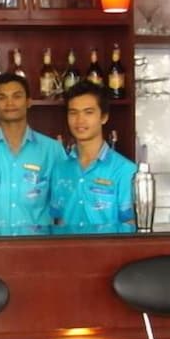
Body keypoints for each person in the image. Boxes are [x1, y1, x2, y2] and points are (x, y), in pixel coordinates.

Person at [0, 72, 65, 236]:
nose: (10, 103)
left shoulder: (52, 150)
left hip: (38, 246)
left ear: (28, 102)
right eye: (2, 97)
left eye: (17, 96)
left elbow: (63, 207)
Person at [50, 80, 137, 234]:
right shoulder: (60, 169)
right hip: (67, 248)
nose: (80, 120)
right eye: (73, 112)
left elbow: (130, 225)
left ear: (104, 117)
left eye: (88, 112)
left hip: (110, 249)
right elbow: (58, 220)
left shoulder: (125, 171)